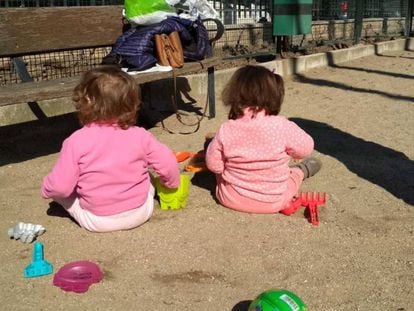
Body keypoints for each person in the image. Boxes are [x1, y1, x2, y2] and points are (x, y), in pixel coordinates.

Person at [41, 66, 180, 232]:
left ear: (85, 102)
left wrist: (47, 189)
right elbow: (168, 162)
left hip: (97, 220)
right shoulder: (140, 135)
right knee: (147, 175)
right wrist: (171, 184)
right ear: (133, 105)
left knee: (59, 193)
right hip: (141, 212)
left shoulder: (76, 141)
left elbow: (60, 188)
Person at [205, 65, 321, 214]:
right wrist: (293, 153)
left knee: (219, 166)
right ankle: (301, 171)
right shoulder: (281, 125)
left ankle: (212, 148)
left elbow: (214, 166)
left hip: (230, 198)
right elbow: (306, 148)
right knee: (292, 179)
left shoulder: (227, 128)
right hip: (273, 201)